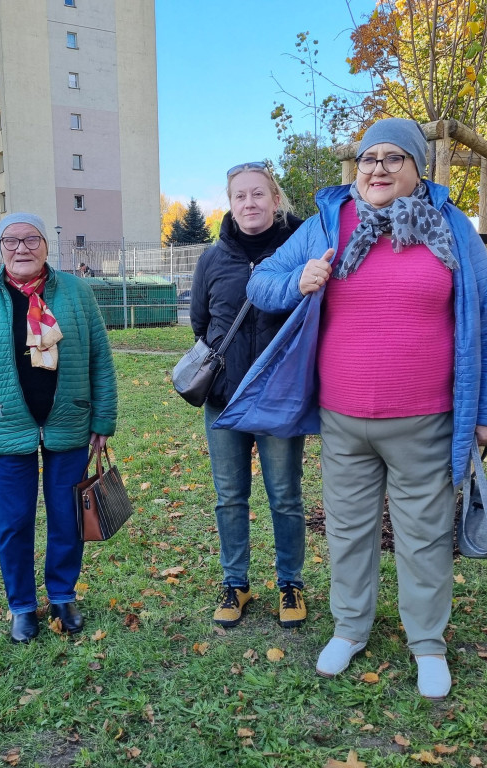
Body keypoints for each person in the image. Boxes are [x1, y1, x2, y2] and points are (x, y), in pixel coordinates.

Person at [239, 118, 487, 699]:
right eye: (369, 158)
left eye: (393, 158)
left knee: (424, 536)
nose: (378, 168)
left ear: (417, 168)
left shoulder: (451, 227)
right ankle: (349, 628)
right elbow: (261, 284)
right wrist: (299, 281)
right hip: (343, 419)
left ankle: (427, 643)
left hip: (425, 419)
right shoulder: (328, 223)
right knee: (348, 532)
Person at [0, 212, 118, 644]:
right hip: (4, 425)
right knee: (13, 523)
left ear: (45, 245)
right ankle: (21, 606)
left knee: (67, 517)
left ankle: (62, 596)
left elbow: (100, 357)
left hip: (69, 420)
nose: (21, 248)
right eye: (11, 240)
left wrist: (103, 418)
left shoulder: (76, 292)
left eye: (31, 239)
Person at [190, 161, 308, 629]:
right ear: (230, 203)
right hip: (225, 400)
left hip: (280, 401)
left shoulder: (300, 250)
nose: (249, 203)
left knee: (285, 496)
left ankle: (290, 583)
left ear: (276, 200)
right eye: (240, 196)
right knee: (229, 497)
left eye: (258, 193)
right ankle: (235, 582)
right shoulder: (212, 260)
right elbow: (201, 324)